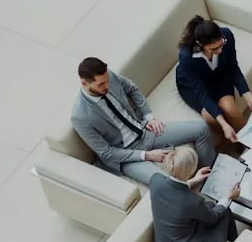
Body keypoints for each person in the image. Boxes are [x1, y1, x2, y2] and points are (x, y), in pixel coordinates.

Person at [72, 57, 216, 185]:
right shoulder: (80, 116)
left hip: (144, 131)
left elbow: (132, 89)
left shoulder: (108, 77)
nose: (107, 86)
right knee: (165, 182)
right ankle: (192, 186)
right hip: (125, 155)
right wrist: (146, 155)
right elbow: (106, 152)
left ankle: (210, 176)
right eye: (101, 84)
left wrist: (148, 116)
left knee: (201, 129)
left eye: (107, 81)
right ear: (85, 84)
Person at [148, 145, 241, 242]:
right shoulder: (191, 201)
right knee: (224, 211)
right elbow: (214, 218)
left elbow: (175, 188)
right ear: (190, 170)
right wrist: (228, 197)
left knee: (210, 206)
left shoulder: (156, 180)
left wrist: (193, 180)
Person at [176, 15, 252, 144]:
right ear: (200, 44)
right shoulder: (186, 57)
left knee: (230, 109)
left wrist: (249, 97)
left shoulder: (227, 35)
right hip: (194, 85)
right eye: (214, 49)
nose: (220, 50)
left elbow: (233, 67)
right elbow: (201, 94)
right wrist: (224, 124)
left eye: (222, 44)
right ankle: (237, 142)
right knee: (211, 118)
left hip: (219, 75)